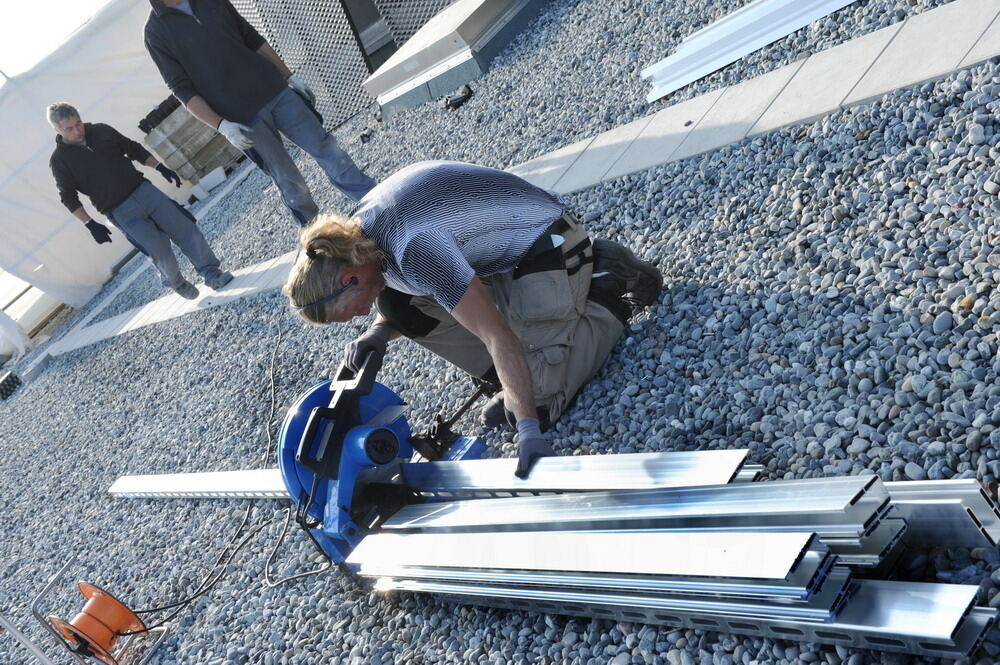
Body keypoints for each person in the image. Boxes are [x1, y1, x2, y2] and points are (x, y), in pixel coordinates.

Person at [283, 160, 662, 478]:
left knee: (540, 406)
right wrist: (380, 332)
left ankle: (604, 290)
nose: (360, 314)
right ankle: (518, 375)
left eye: (351, 310)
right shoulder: (361, 239)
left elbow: (496, 335)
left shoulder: (414, 249)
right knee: (396, 307)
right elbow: (422, 294)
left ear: (350, 278)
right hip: (503, 258)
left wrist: (529, 429)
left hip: (549, 244)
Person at [144, 0, 376, 227]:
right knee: (287, 178)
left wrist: (288, 75)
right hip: (242, 119)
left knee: (325, 147)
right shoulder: (155, 32)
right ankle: (318, 237)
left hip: (275, 90)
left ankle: (372, 202)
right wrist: (221, 125)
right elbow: (181, 89)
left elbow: (251, 37)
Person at [47, 103, 232, 299]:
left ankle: (212, 274)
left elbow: (132, 148)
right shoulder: (59, 161)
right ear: (57, 130)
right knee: (159, 250)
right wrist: (90, 223)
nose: (77, 130)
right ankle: (175, 281)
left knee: (186, 230)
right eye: (70, 128)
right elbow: (67, 197)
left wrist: (160, 167)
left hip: (144, 190)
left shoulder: (101, 130)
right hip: (120, 211)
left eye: (79, 123)